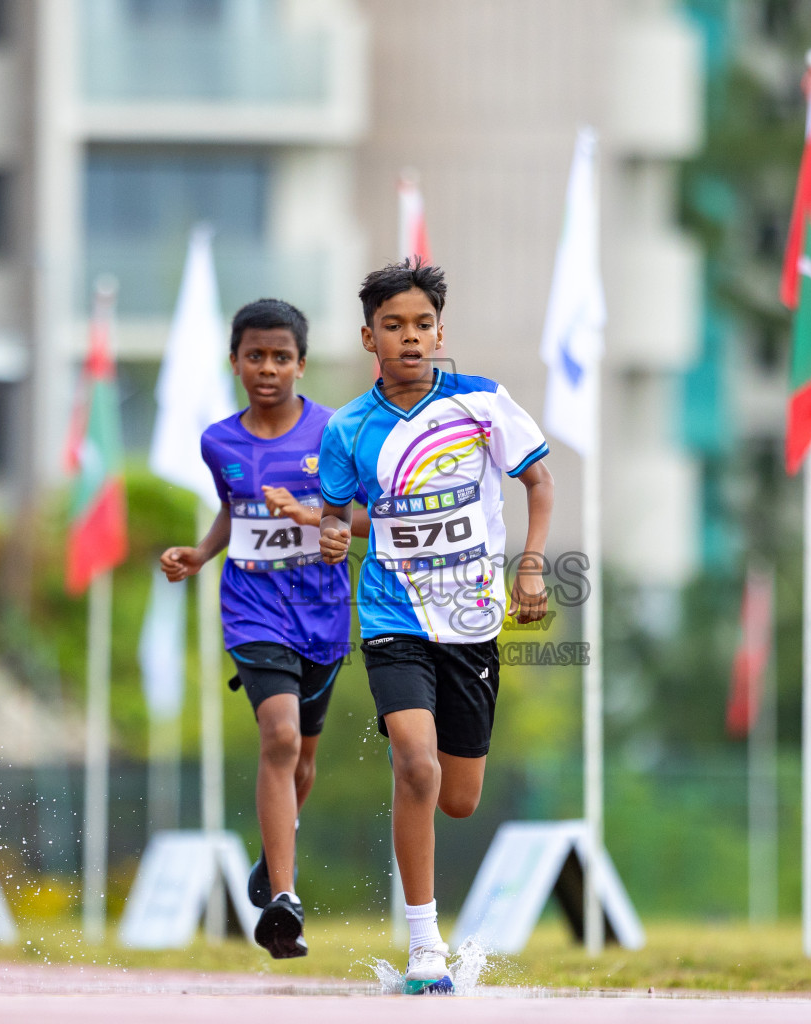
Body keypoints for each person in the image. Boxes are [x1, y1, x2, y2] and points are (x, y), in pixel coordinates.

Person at [318, 259, 554, 994]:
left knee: (458, 795)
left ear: (440, 333)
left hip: (473, 620)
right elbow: (346, 513)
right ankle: (426, 948)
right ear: (369, 337)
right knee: (415, 763)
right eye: (394, 327)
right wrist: (330, 532)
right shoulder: (349, 427)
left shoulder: (482, 402)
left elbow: (539, 481)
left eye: (422, 326)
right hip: (391, 615)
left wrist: (533, 565)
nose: (410, 339)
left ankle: (433, 931)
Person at [159, 298, 368, 960]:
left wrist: (322, 524)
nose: (268, 368)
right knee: (276, 736)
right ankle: (285, 900)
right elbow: (233, 508)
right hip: (251, 605)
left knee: (302, 759)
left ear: (302, 364)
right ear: (235, 362)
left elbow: (363, 517)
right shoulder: (218, 440)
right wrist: (200, 552)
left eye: (281, 357)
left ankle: (272, 858)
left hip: (322, 610)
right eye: (256, 356)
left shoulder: (335, 433)